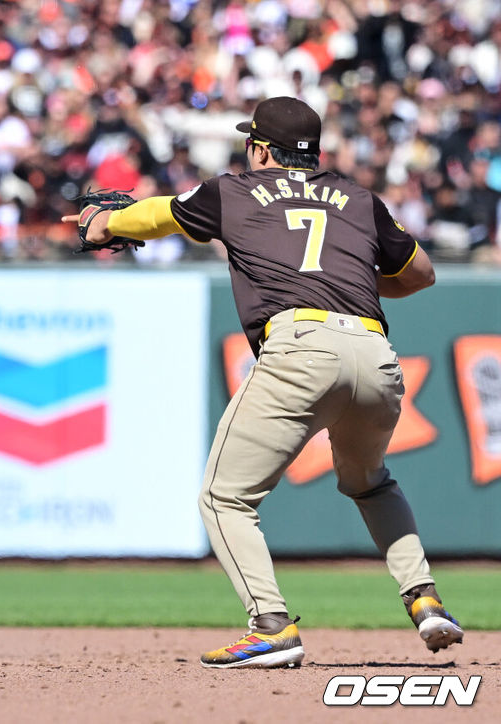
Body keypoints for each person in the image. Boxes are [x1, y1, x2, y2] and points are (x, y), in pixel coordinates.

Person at [65, 97, 463, 668]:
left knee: (223, 498)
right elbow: (420, 273)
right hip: (376, 354)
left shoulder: (233, 190)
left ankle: (271, 626)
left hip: (301, 348)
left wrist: (103, 222)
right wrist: (351, 284)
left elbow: (156, 214)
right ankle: (424, 599)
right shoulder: (359, 199)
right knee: (370, 483)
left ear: (259, 148)